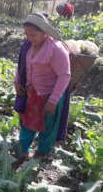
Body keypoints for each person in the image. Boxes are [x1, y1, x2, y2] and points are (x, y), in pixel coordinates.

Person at [14, 13, 71, 162]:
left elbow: (64, 75)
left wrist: (52, 101)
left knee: (48, 127)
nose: (29, 38)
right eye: (26, 34)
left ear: (44, 32)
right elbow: (21, 65)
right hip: (31, 94)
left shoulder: (56, 49)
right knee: (27, 124)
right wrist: (17, 81)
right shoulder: (28, 45)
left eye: (33, 35)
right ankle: (23, 151)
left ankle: (42, 152)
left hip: (49, 96)